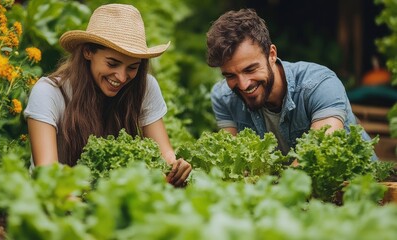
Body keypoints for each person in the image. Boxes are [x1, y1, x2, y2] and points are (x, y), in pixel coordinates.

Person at [24, 3, 192, 186]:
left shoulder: (145, 87)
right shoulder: (49, 92)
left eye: (132, 67)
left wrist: (176, 167)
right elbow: (48, 173)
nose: (121, 77)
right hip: (58, 201)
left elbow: (164, 154)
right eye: (112, 64)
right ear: (88, 52)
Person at [206, 8, 377, 160]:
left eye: (250, 70)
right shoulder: (223, 97)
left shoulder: (320, 85)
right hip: (295, 193)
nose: (243, 85)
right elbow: (233, 161)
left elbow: (316, 156)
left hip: (362, 189)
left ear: (271, 54)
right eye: (230, 75)